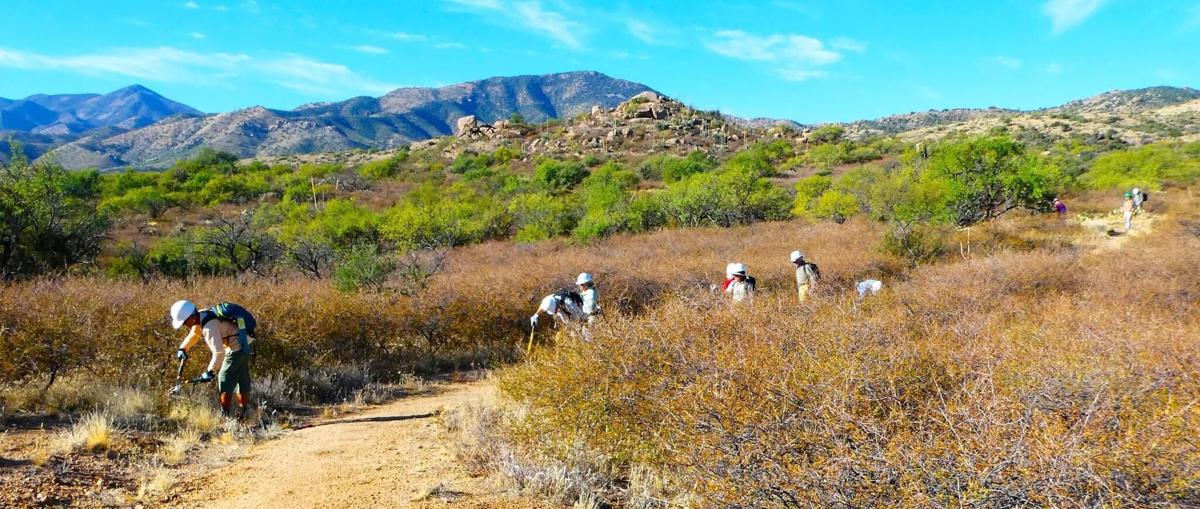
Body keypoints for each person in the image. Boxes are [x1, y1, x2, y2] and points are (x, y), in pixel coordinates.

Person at [171, 300, 255, 420]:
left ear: (191, 318)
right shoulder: (202, 314)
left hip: (238, 347)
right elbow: (195, 333)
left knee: (224, 378)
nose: (185, 325)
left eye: (184, 322)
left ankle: (225, 416)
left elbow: (218, 353)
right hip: (247, 341)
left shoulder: (209, 327)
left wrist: (210, 372)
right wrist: (183, 348)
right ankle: (244, 413)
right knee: (241, 377)